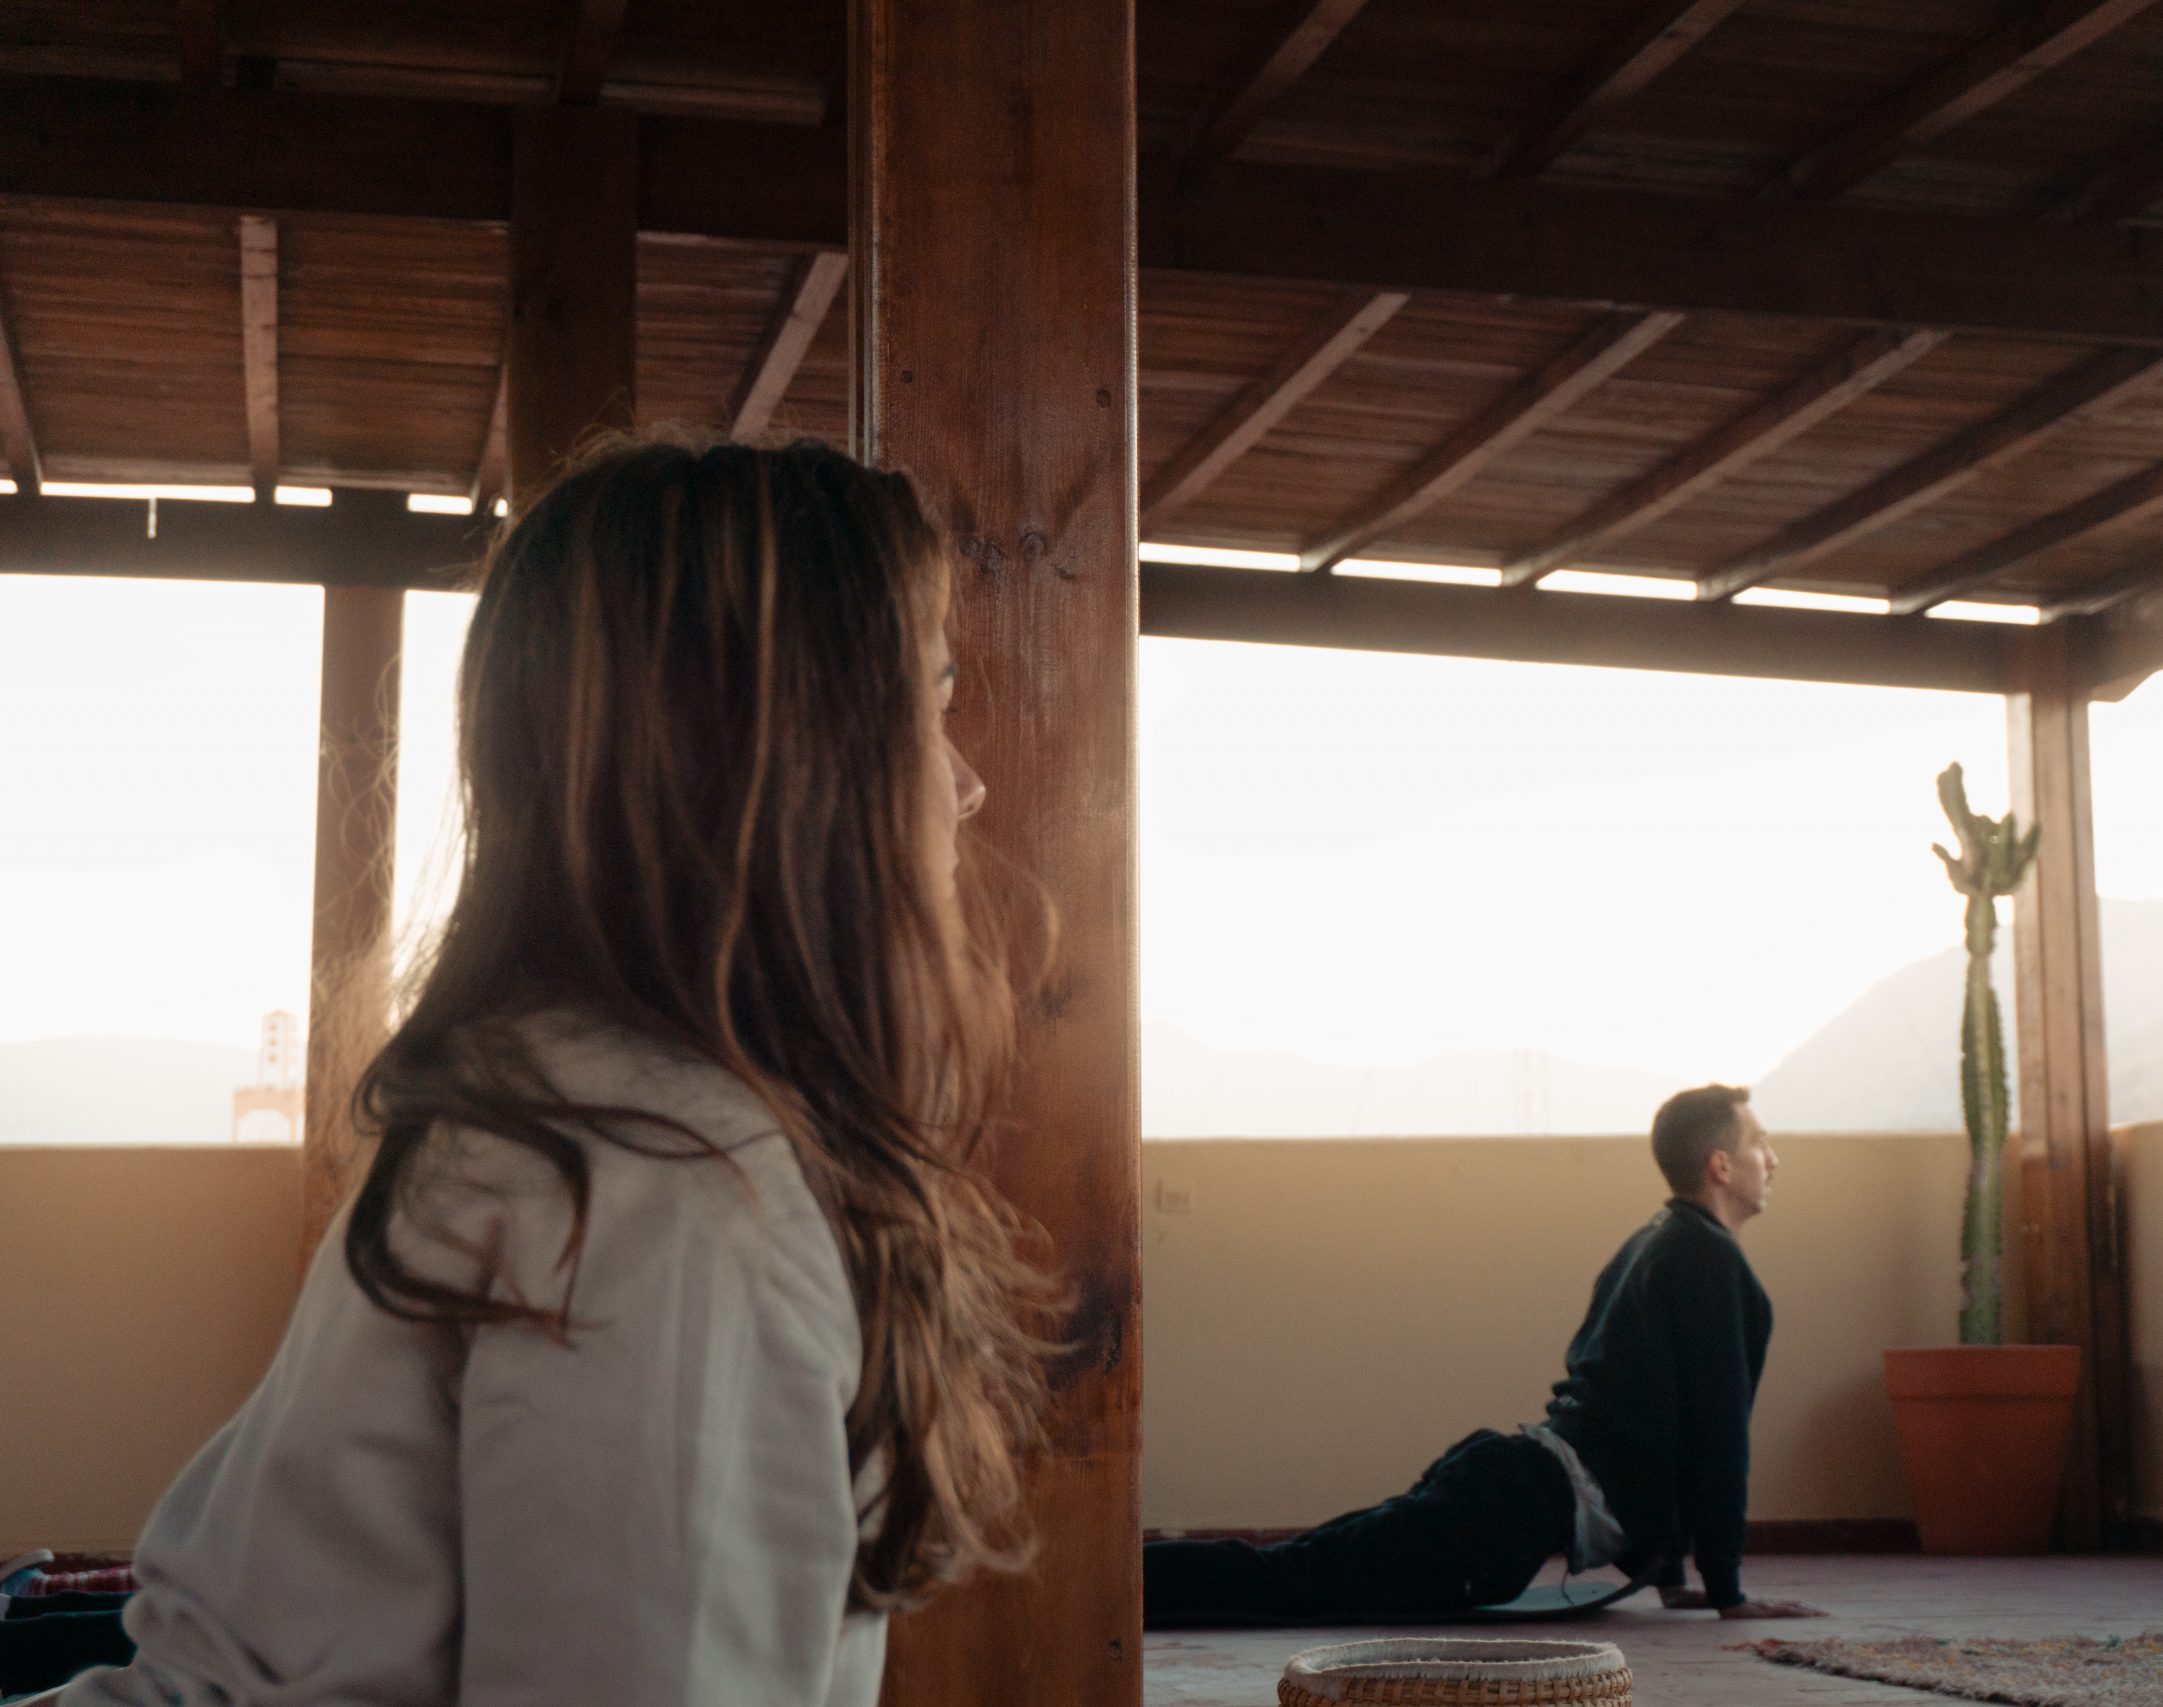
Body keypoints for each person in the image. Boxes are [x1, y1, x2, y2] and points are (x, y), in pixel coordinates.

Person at [26, 440, 1056, 1707]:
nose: (965, 781)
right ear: (785, 769)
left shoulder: (599, 1126)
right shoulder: (672, 1190)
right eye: (931, 701)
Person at [1144, 1085, 1822, 1627]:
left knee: (1297, 1569)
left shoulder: (1653, 1243)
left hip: (1509, 1484)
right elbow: (1717, 1431)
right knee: (1289, 1581)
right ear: (1721, 1164)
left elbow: (1645, 1409)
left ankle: (1113, 1573)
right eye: (1760, 1143)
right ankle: (1106, 1582)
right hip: (1510, 1506)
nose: (1774, 1158)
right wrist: (1728, 1590)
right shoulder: (1708, 1259)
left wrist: (1674, 1581)